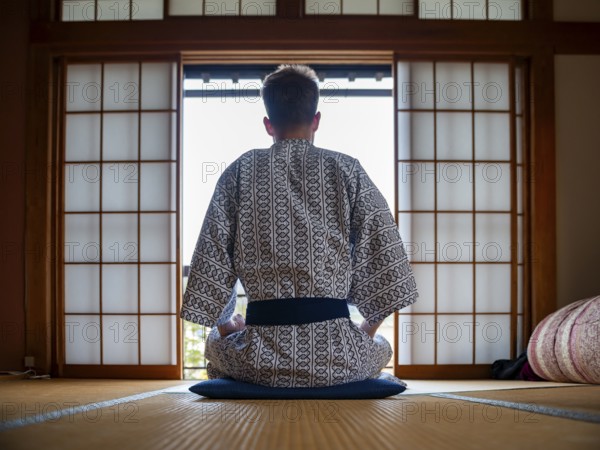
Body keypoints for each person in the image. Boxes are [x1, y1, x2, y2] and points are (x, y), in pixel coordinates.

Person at [181, 64, 418, 387]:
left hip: (258, 359)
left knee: (214, 345)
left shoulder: (240, 171)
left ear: (268, 124)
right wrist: (367, 330)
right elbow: (388, 259)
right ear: (316, 119)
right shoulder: (347, 169)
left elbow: (213, 255)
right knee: (380, 348)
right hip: (340, 358)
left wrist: (226, 328)